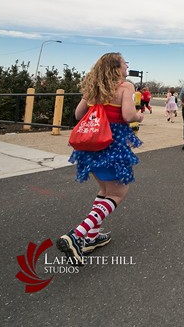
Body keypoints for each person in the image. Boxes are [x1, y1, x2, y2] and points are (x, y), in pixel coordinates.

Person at [57, 52, 144, 264]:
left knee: (105, 190)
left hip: (90, 146)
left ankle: (92, 238)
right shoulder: (126, 87)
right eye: (125, 63)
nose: (127, 66)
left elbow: (78, 115)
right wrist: (139, 116)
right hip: (112, 144)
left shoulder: (93, 88)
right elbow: (128, 115)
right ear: (116, 68)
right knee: (119, 192)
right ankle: (77, 235)